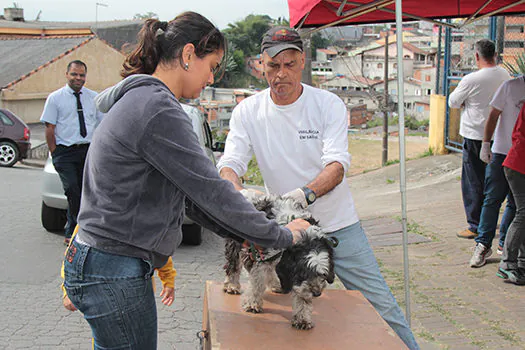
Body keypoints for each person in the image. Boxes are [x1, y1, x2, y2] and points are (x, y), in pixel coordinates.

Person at [62, 13, 309, 349]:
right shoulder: (158, 109)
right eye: (213, 65)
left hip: (100, 261)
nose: (212, 77)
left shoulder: (142, 100)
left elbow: (191, 197)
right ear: (188, 54)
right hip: (112, 267)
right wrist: (281, 235)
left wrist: (247, 236)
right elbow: (212, 191)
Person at [217, 26, 419, 350]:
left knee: (383, 308)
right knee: (285, 313)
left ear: (302, 62)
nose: (281, 74)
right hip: (286, 232)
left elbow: (337, 164)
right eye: (273, 66)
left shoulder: (328, 104)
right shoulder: (247, 111)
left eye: (290, 64)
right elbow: (231, 164)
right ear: (261, 65)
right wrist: (239, 195)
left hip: (339, 225)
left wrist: (304, 195)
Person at [448, 39, 511, 240]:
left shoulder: (471, 79)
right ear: (495, 54)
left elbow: (453, 102)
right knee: (495, 180)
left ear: (477, 56)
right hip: (498, 135)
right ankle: (494, 221)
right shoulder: (504, 75)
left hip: (475, 135)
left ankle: (475, 224)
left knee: (473, 181)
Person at [41, 60, 104, 245]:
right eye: (74, 74)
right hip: (65, 153)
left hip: (88, 151)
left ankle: (76, 231)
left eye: (82, 75)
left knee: (86, 192)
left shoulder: (94, 98)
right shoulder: (55, 98)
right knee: (72, 189)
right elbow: (49, 128)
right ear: (67, 74)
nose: (78, 78)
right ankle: (75, 230)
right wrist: (56, 154)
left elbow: (101, 126)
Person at [469, 76, 524, 267]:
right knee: (492, 199)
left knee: (516, 205)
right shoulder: (511, 86)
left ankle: (505, 244)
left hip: (521, 157)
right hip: (502, 152)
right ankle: (483, 244)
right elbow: (493, 115)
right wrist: (486, 144)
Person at [497, 102, 525, 285]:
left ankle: (520, 262)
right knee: (523, 213)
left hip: (517, 164)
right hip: (518, 166)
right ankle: (507, 264)